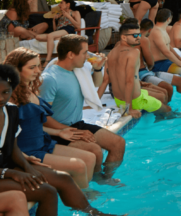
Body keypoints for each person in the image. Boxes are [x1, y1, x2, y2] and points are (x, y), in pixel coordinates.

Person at [0, 65, 120, 216]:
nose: (1, 98)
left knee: (61, 180)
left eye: (6, 92)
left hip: (8, 167)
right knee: (44, 191)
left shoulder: (10, 110)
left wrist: (27, 164)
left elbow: (12, 146)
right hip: (4, 172)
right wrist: (9, 173)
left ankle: (94, 213)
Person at [6, 48, 98, 190]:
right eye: (32, 67)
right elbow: (8, 132)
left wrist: (59, 133)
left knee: (90, 158)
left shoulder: (28, 88)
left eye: (39, 66)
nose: (38, 71)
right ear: (15, 70)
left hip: (42, 142)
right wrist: (22, 157)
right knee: (79, 166)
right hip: (28, 149)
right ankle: (84, 201)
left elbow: (31, 124)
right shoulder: (9, 97)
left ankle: (84, 193)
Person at [38, 35, 126, 181]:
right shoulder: (50, 79)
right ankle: (96, 181)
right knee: (95, 150)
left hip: (76, 123)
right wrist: (67, 131)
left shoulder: (78, 69)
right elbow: (42, 117)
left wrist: (97, 69)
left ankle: (106, 178)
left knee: (118, 143)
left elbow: (94, 85)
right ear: (71, 54)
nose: (88, 56)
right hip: (57, 131)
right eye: (85, 52)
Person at [108, 23, 172, 120]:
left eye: (139, 34)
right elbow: (129, 80)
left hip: (119, 99)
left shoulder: (112, 52)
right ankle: (160, 121)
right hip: (135, 99)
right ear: (124, 37)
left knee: (161, 94)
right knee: (167, 109)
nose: (138, 37)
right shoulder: (134, 52)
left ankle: (158, 117)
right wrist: (129, 108)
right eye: (135, 35)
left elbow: (108, 79)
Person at [138, 19, 181, 99]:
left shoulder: (159, 31)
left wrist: (179, 59)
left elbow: (168, 47)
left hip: (150, 69)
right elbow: (153, 61)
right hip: (147, 70)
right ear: (150, 29)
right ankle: (169, 108)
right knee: (167, 89)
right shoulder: (144, 39)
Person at [149, 9, 181, 84]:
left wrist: (180, 58)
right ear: (168, 19)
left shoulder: (162, 30)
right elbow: (166, 52)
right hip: (159, 64)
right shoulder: (156, 31)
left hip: (166, 61)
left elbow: (169, 47)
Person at [39, 0, 81, 65]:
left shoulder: (75, 12)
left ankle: (47, 60)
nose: (59, 5)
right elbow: (56, 30)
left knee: (50, 35)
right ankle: (60, 38)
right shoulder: (60, 14)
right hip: (60, 32)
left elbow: (78, 26)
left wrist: (68, 16)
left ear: (68, 4)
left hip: (68, 29)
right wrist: (53, 20)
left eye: (61, 3)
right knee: (38, 37)